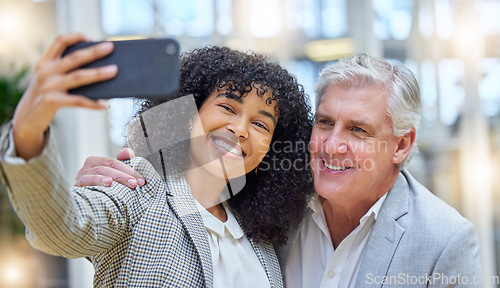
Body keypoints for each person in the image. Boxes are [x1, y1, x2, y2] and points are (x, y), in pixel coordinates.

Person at [79, 53, 483, 287]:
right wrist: (125, 166)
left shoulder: (446, 240)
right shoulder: (278, 194)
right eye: (324, 122)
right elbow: (207, 128)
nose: (332, 144)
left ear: (402, 145)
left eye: (358, 130)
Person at [0, 33, 314, 287]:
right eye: (228, 107)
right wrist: (28, 130)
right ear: (189, 115)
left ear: (269, 150)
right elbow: (61, 228)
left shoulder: (259, 235)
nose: (240, 129)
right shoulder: (140, 187)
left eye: (260, 124)